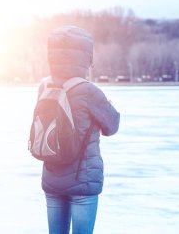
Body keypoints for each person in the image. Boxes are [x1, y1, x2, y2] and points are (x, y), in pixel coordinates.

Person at [39, 26, 120, 234]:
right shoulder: (88, 91)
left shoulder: (45, 86)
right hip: (83, 181)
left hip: (52, 178)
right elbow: (112, 126)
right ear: (86, 56)